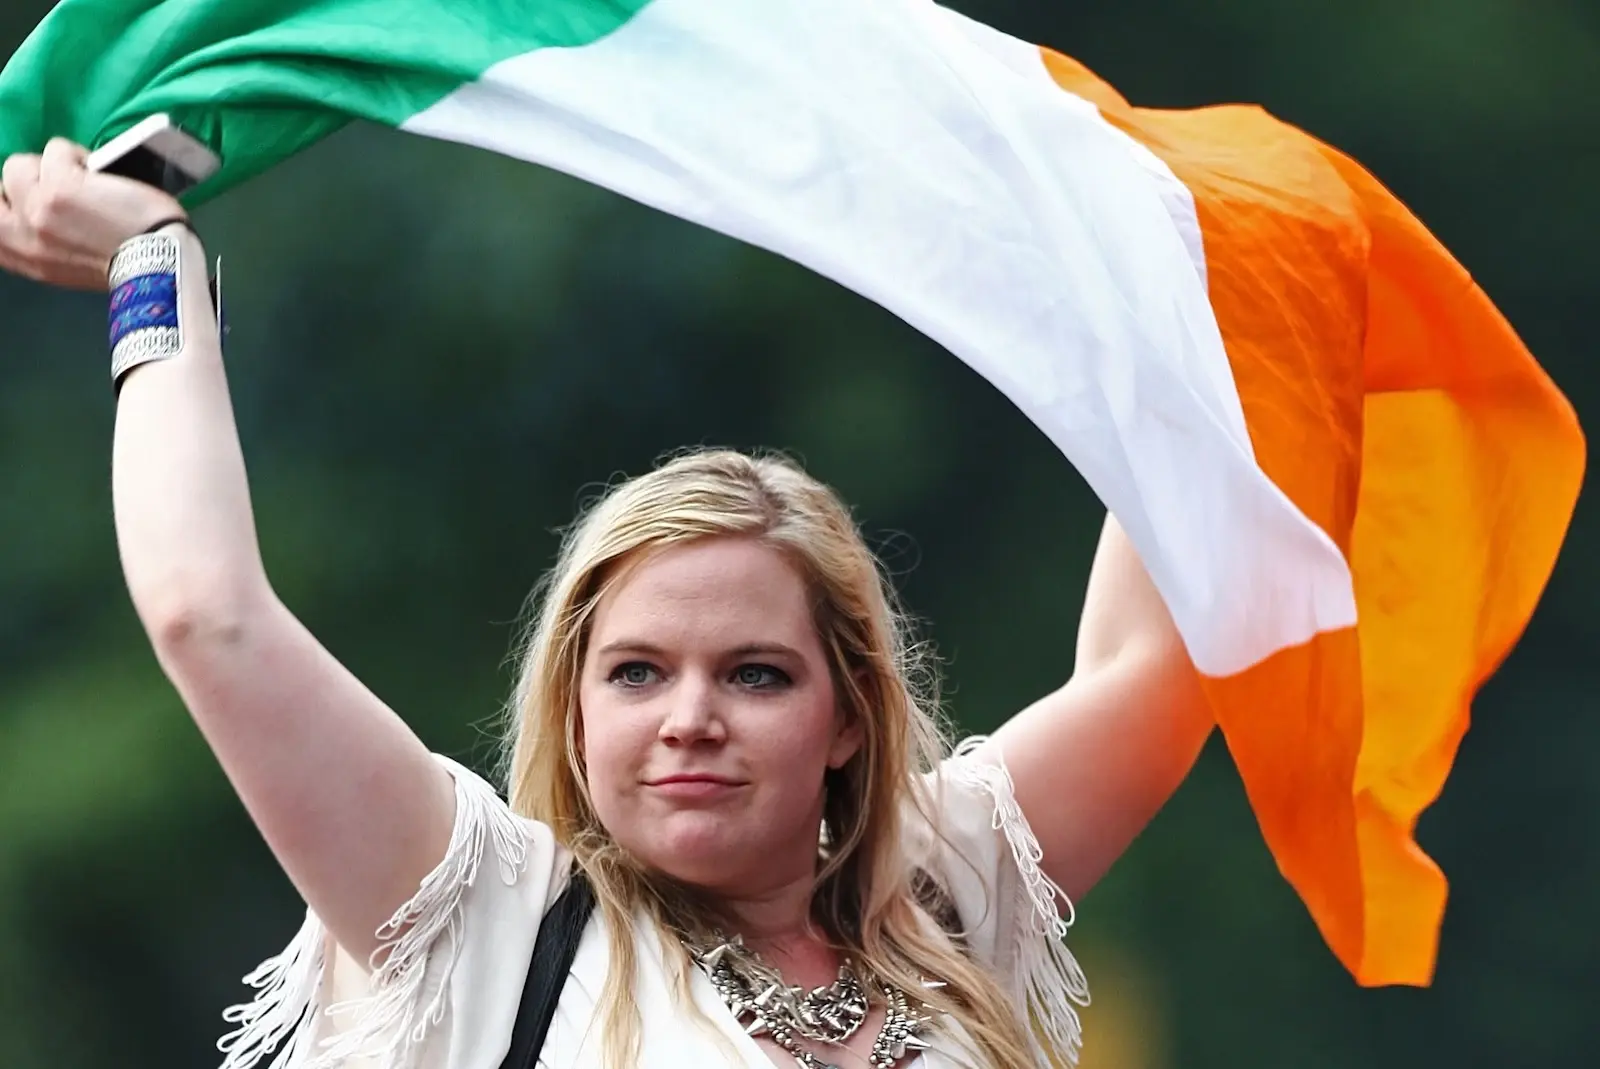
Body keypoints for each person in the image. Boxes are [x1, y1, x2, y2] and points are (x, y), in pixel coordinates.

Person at [0, 140, 1214, 1069]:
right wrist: (148, 265)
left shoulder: (944, 892)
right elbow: (207, 614)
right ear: (572, 709)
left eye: (756, 673)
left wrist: (1187, 286)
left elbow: (1159, 664)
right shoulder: (483, 919)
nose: (690, 716)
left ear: (847, 718)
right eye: (636, 672)